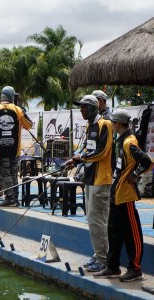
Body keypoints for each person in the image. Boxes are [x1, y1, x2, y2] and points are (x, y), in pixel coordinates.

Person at [94, 109, 152, 282]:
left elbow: (147, 162)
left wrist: (134, 175)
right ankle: (112, 266)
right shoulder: (121, 141)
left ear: (118, 124)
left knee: (132, 234)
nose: (111, 125)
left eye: (113, 122)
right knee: (114, 232)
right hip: (116, 194)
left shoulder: (128, 142)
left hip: (125, 196)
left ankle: (135, 269)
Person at [65, 95, 113, 273]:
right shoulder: (89, 126)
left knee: (97, 220)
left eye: (84, 107)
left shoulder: (105, 125)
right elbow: (87, 148)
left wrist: (81, 158)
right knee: (93, 220)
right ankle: (99, 254)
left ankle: (102, 259)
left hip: (101, 179)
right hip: (90, 178)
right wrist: (74, 160)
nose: (81, 110)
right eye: (80, 107)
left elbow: (102, 152)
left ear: (93, 108)